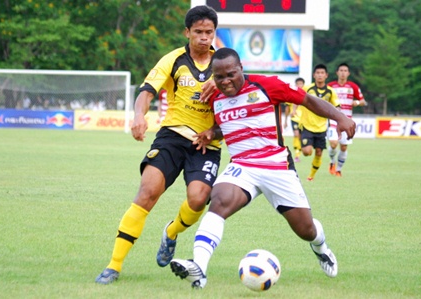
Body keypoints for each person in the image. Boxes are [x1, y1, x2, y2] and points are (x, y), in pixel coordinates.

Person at [169, 48, 356, 289]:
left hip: (276, 166)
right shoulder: (215, 98)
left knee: (306, 229)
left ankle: (320, 247)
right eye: (219, 77)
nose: (225, 81)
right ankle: (199, 268)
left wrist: (339, 117)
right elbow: (224, 125)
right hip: (242, 166)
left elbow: (307, 100)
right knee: (218, 201)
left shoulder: (268, 85)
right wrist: (211, 133)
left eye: (231, 74)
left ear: (241, 69)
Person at [95, 5, 221, 284]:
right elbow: (146, 91)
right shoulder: (173, 59)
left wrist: (213, 131)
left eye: (209, 32)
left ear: (215, 33)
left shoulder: (224, 65)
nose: (203, 37)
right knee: (147, 192)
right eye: (198, 32)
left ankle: (172, 232)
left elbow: (237, 105)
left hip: (207, 144)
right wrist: (139, 115)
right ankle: (113, 266)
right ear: (187, 32)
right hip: (172, 138)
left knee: (198, 199)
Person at [299, 64, 339, 181]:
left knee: (319, 152)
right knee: (307, 152)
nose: (320, 75)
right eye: (318, 73)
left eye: (322, 73)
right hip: (307, 125)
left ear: (326, 75)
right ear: (314, 75)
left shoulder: (331, 91)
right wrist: (295, 110)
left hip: (322, 127)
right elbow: (295, 98)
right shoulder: (307, 89)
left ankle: (311, 176)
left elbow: (337, 106)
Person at [327, 63, 366, 177]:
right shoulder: (331, 86)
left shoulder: (353, 87)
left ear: (348, 73)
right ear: (337, 72)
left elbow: (363, 101)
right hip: (334, 120)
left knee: (343, 147)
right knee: (333, 144)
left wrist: (357, 102)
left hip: (347, 121)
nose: (343, 73)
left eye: (345, 71)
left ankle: (338, 169)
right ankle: (332, 162)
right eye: (341, 70)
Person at [284, 77, 305, 162]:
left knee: (300, 136)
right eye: (298, 84)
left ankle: (298, 153)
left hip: (303, 119)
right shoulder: (291, 94)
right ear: (296, 85)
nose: (299, 85)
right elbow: (287, 108)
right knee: (296, 134)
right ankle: (297, 155)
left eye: (301, 84)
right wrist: (285, 120)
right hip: (295, 118)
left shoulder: (306, 95)